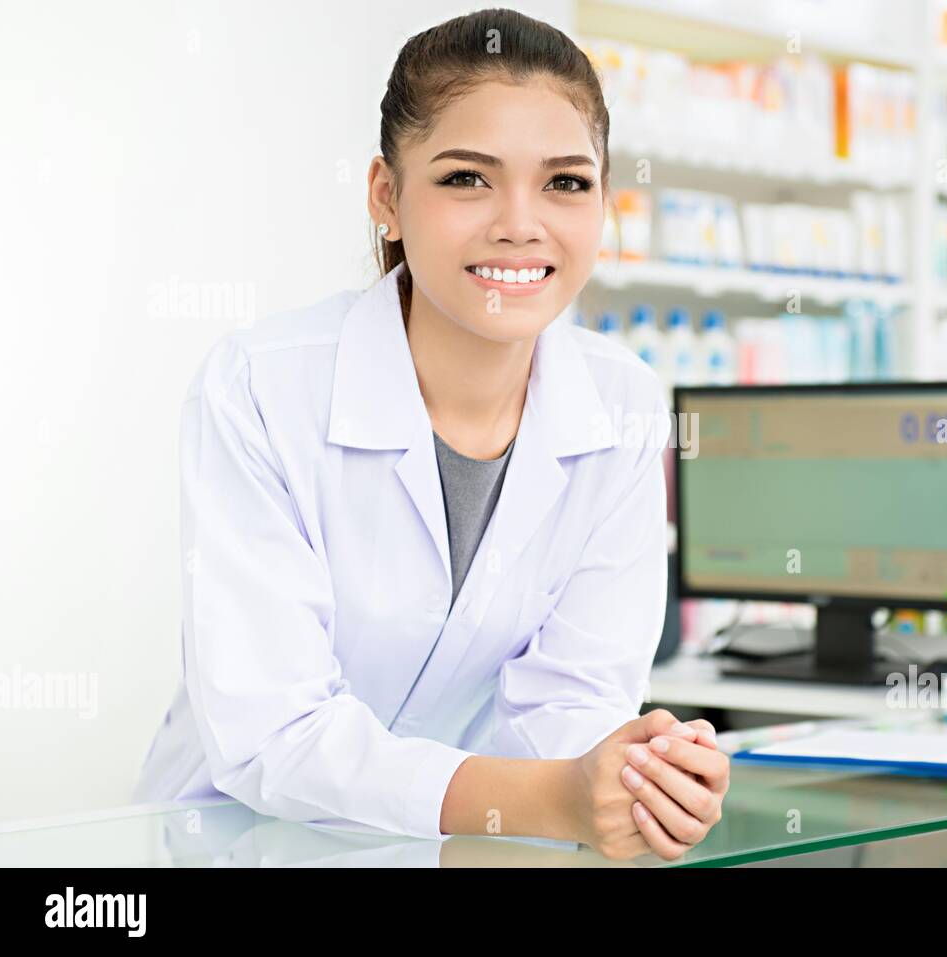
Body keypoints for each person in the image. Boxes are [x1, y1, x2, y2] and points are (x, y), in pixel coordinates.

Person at [133, 7, 729, 862]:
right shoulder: (259, 386)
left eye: (565, 182)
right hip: (242, 848)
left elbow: (575, 704)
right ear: (388, 197)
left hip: (462, 854)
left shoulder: (623, 402)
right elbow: (276, 732)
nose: (520, 223)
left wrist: (636, 775)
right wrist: (556, 798)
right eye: (466, 179)